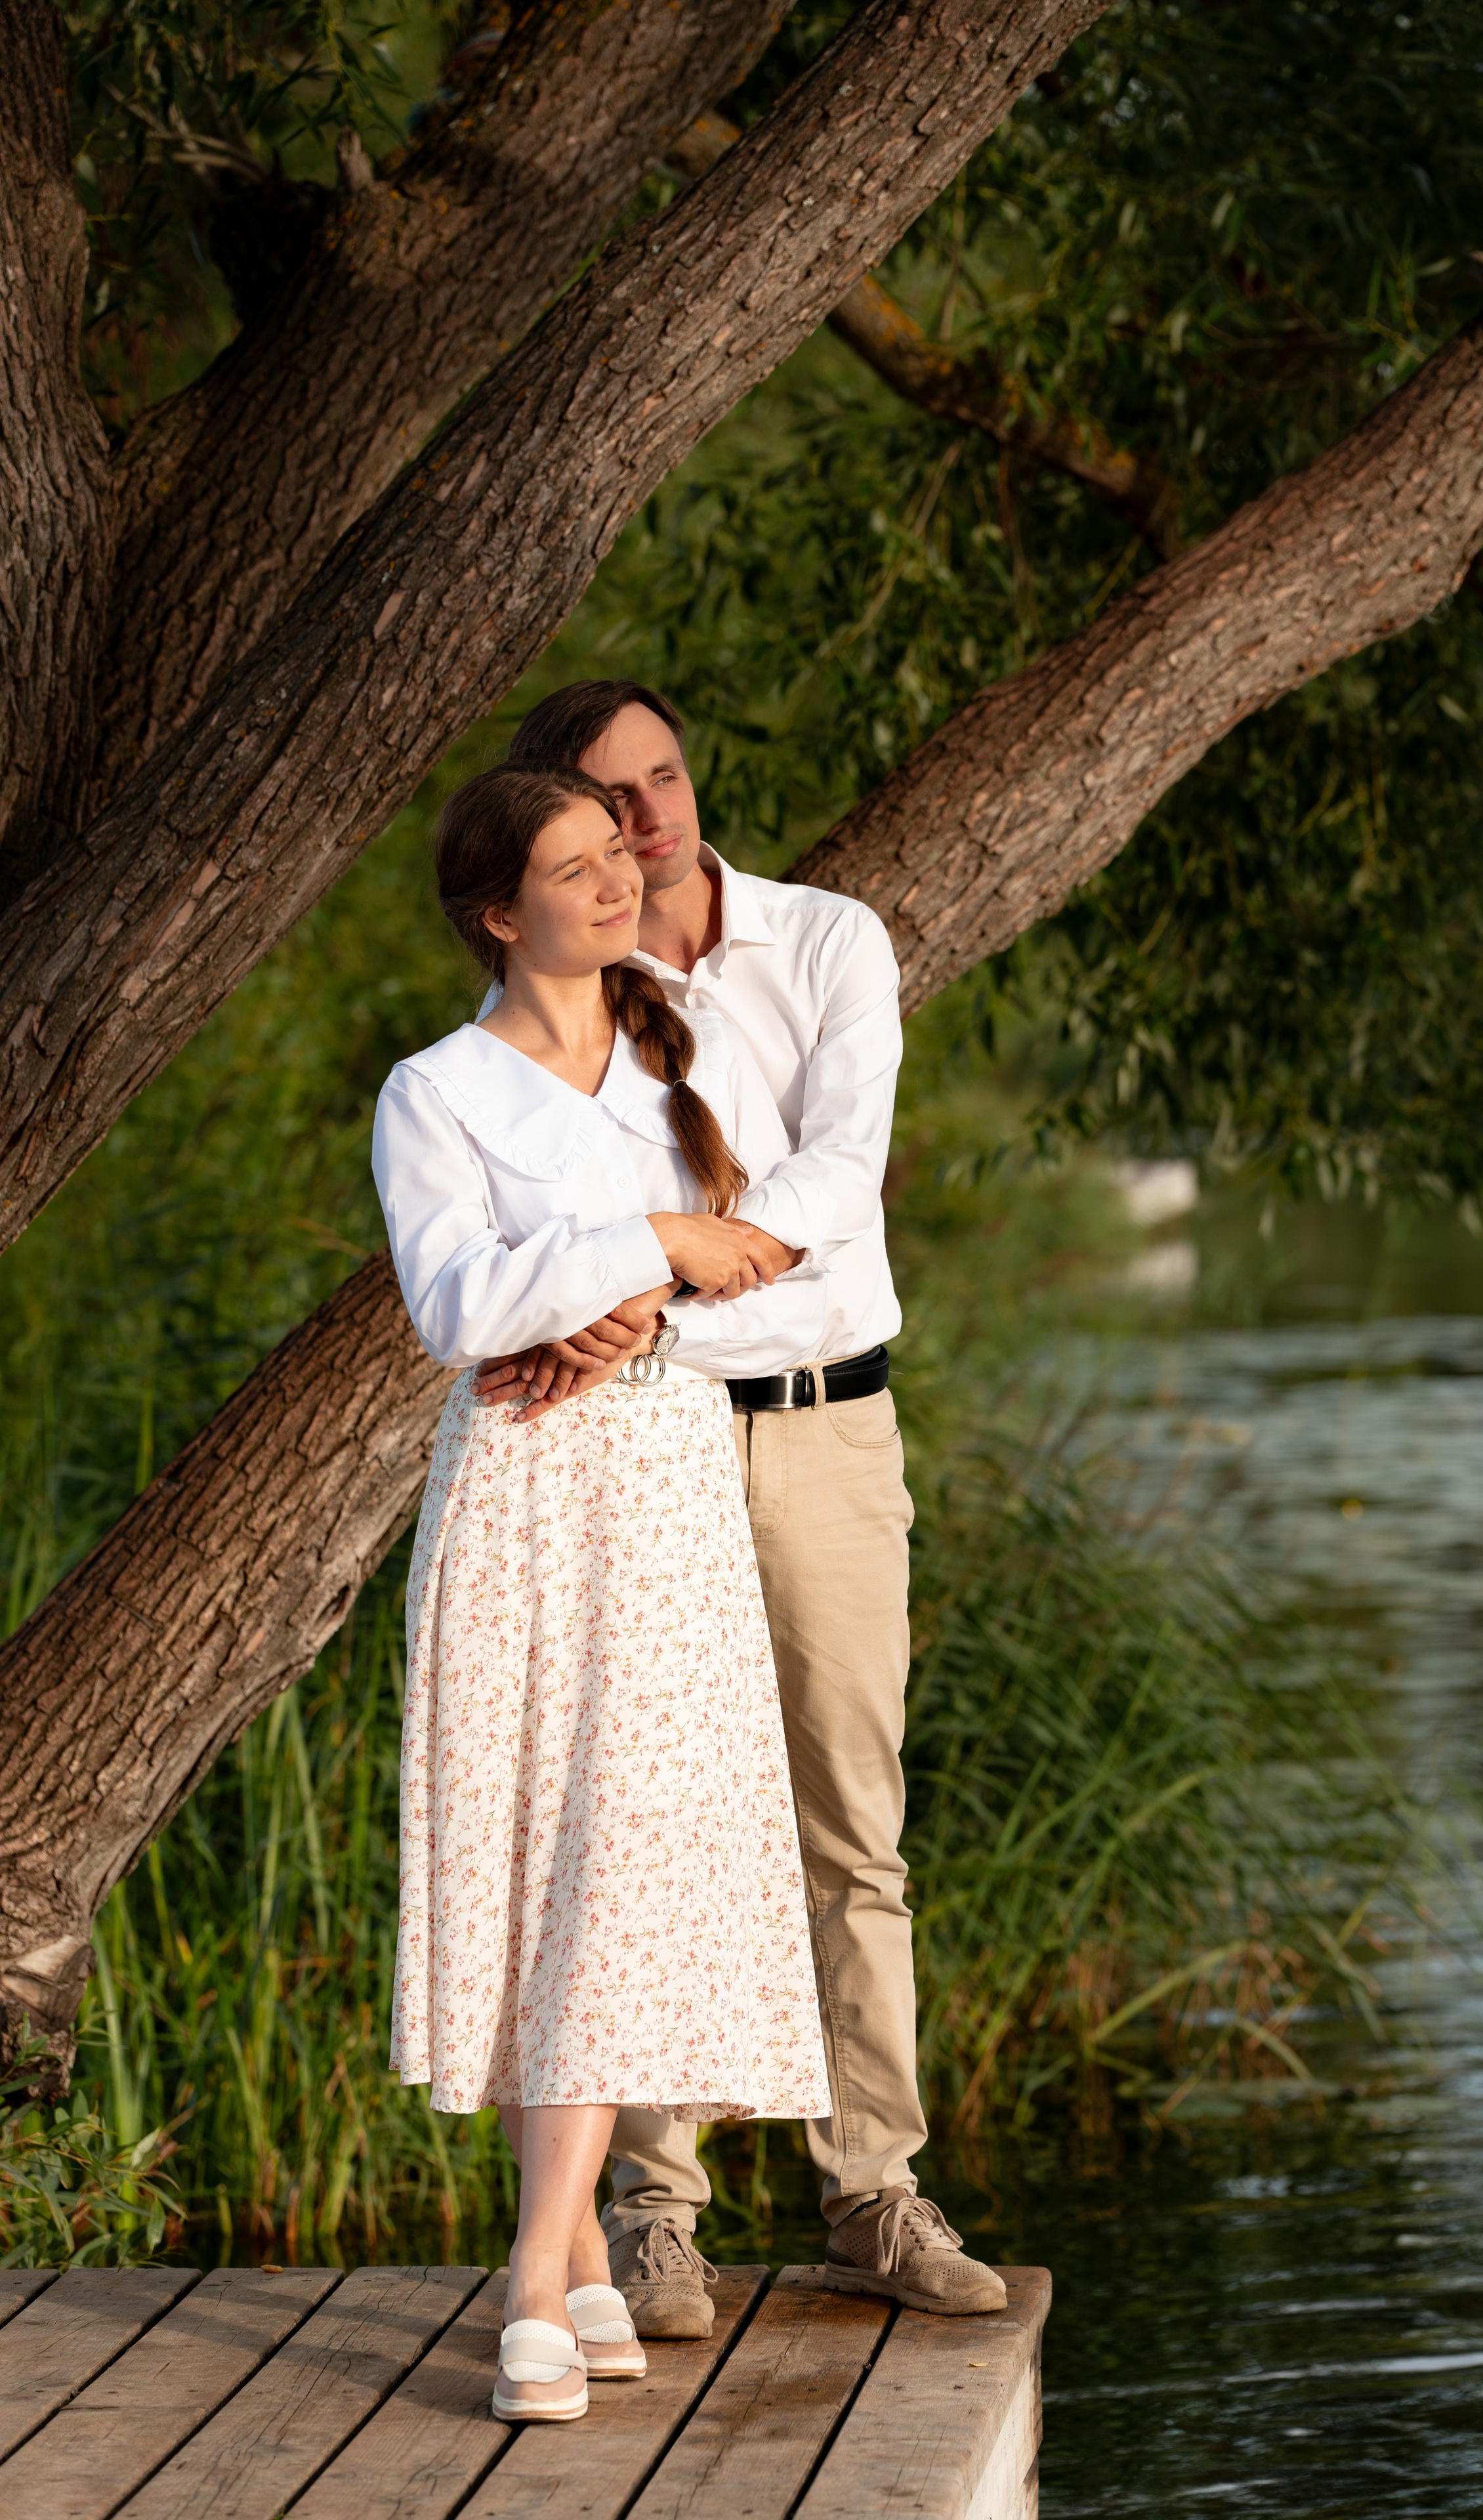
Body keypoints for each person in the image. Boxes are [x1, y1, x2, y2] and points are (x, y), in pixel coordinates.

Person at [474, 681, 1009, 2322]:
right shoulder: (580, 996)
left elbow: (839, 1181)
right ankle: (657, 2209)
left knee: (853, 1827)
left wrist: (669, 1279)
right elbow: (584, 1221)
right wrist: (664, 1284)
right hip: (654, 1441)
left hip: (831, 1433)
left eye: (665, 779)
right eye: (611, 806)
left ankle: (874, 2194)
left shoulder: (832, 942)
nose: (650, 823)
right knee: (646, 1832)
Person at [372, 762, 832, 2422]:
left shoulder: (677, 1050)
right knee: (539, 1848)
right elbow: (452, 1305)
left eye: (611, 854)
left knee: (626, 1854)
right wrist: (645, 1244)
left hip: (665, 1483)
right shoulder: (436, 1091)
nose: (615, 881)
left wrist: (647, 1305)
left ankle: (549, 2267)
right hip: (520, 1494)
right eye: (571, 869)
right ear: (501, 913)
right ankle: (549, 2273)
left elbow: (776, 1257)